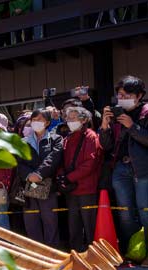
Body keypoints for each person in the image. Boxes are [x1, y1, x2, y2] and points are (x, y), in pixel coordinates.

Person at [99, 75, 148, 258]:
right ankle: (132, 252)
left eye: (128, 95)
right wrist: (104, 125)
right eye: (120, 94)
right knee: (125, 213)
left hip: (143, 169)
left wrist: (132, 126)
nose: (123, 98)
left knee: (145, 212)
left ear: (139, 95)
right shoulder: (116, 114)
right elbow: (106, 145)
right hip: (120, 168)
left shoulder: (146, 112)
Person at [16, 109, 63, 248]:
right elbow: (19, 162)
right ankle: (36, 252)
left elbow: (53, 159)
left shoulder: (55, 139)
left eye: (40, 120)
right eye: (34, 120)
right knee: (31, 221)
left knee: (50, 221)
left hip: (48, 184)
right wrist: (29, 175)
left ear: (47, 122)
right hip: (28, 184)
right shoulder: (23, 141)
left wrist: (39, 174)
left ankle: (52, 252)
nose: (36, 123)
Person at [58, 107, 102, 252]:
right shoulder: (68, 138)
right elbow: (61, 161)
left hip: (86, 188)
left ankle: (93, 253)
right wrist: (61, 176)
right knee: (73, 224)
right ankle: (75, 252)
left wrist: (68, 177)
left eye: (74, 118)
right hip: (71, 189)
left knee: (90, 224)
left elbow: (90, 164)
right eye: (68, 118)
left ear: (84, 120)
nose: (70, 121)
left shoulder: (91, 136)